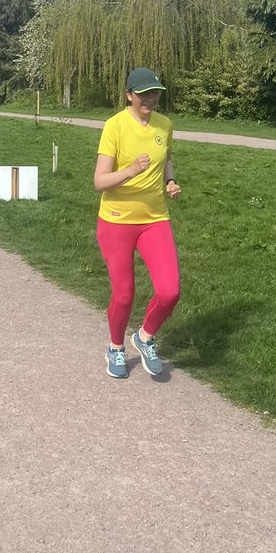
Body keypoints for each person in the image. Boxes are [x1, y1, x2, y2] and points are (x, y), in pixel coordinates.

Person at [93, 67, 182, 380]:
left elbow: (166, 158)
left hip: (154, 219)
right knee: (124, 294)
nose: (150, 99)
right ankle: (116, 347)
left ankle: (144, 337)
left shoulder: (164, 125)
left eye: (155, 93)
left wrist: (170, 181)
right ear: (129, 95)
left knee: (170, 291)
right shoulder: (115, 126)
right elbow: (100, 181)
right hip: (116, 221)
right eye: (144, 94)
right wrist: (131, 170)